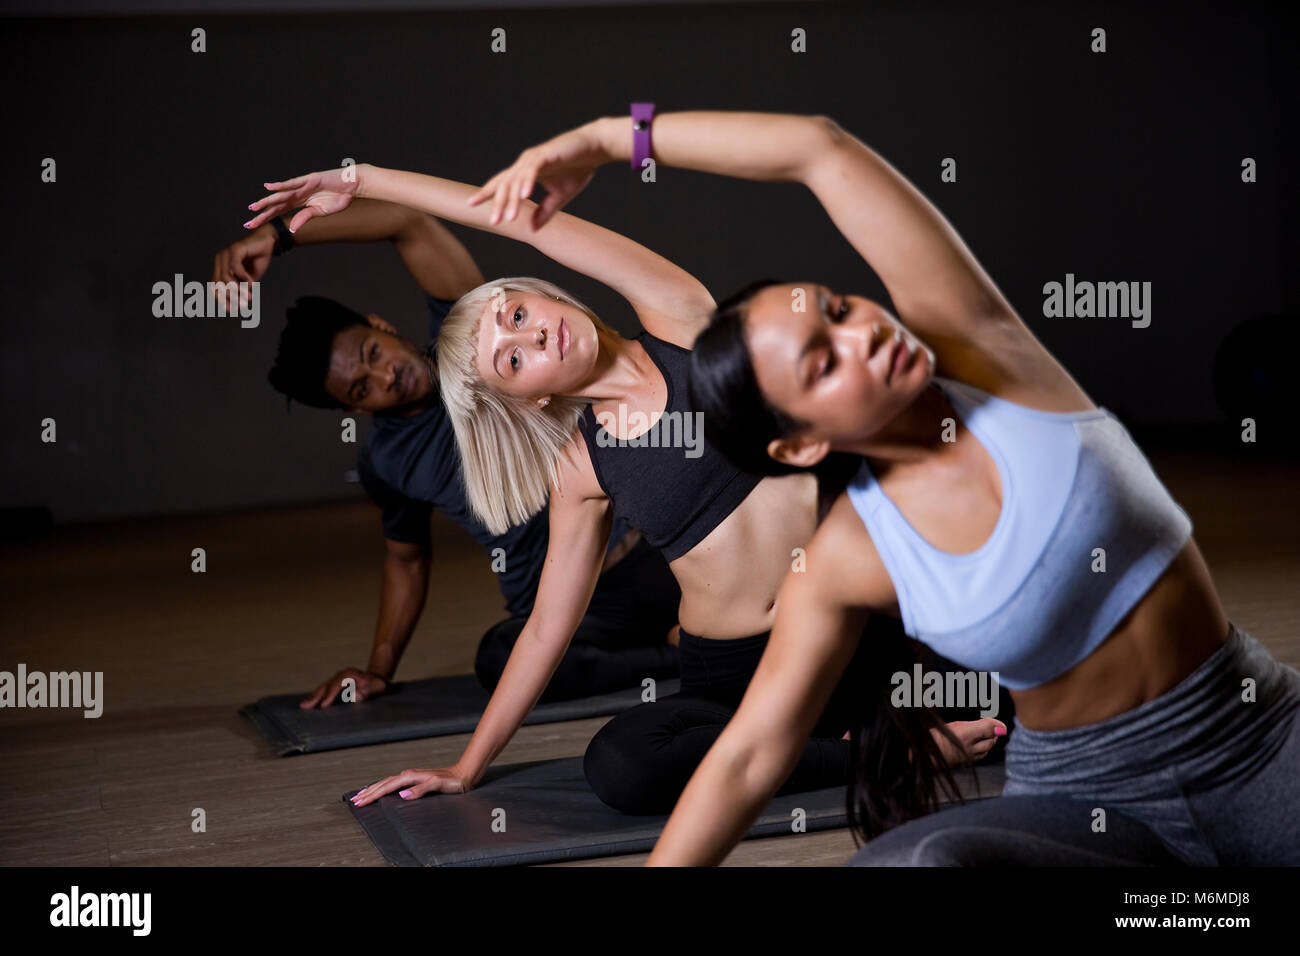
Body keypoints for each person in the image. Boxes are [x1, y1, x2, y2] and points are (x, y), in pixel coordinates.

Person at [574, 111, 1300, 865]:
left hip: (1258, 736)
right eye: (824, 364)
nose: (864, 334)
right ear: (801, 443)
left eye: (838, 308)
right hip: (1092, 805)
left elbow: (820, 148)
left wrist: (610, 138)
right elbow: (748, 756)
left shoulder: (989, 353)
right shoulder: (847, 557)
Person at [240, 111, 1006, 814]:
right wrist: (467, 767)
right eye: (511, 360)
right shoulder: (581, 466)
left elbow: (526, 221)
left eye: (516, 315)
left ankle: (848, 736)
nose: (532, 338)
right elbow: (546, 629)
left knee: (1020, 688)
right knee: (623, 764)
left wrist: (364, 180)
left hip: (852, 636)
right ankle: (874, 754)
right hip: (734, 677)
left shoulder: (680, 324)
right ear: (528, 400)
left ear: (539, 295)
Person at [213, 198, 680, 709]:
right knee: (498, 657)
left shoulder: (477, 345)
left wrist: (278, 235)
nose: (386, 376)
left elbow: (409, 223)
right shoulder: (389, 463)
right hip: (563, 609)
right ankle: (680, 655)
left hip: (648, 551)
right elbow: (407, 560)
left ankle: (695, 634)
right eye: (362, 390)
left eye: (373, 354)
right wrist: (378, 669)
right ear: (356, 410)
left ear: (382, 325)